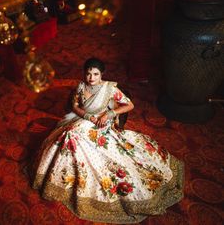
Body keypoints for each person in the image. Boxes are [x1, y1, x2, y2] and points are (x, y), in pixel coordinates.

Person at [32, 57, 184, 223]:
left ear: (101, 74)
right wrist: (87, 116)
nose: (91, 77)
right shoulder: (81, 86)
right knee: (70, 134)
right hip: (84, 120)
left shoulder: (110, 88)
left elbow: (129, 105)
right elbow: (75, 106)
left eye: (95, 74)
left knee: (72, 135)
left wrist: (109, 114)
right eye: (88, 73)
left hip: (102, 123)